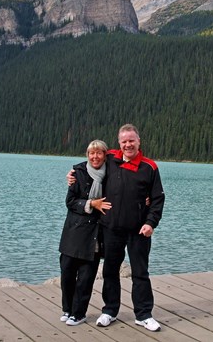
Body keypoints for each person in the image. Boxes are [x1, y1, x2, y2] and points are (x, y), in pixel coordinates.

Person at [68, 124, 165, 332]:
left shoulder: (150, 167)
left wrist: (151, 223)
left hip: (139, 230)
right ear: (119, 143)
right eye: (124, 141)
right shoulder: (111, 158)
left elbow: (157, 199)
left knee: (140, 272)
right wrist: (73, 173)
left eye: (131, 140)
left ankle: (144, 314)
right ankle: (110, 311)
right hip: (110, 228)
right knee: (110, 271)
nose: (128, 145)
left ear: (139, 141)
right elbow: (89, 164)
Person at [59, 140, 112, 326]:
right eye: (91, 153)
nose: (95, 157)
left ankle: (79, 313)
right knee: (66, 273)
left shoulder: (112, 173)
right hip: (73, 231)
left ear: (105, 155)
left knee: (86, 277)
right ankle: (67, 309)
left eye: (99, 153)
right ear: (87, 154)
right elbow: (70, 201)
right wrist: (91, 204)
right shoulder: (77, 172)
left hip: (95, 233)